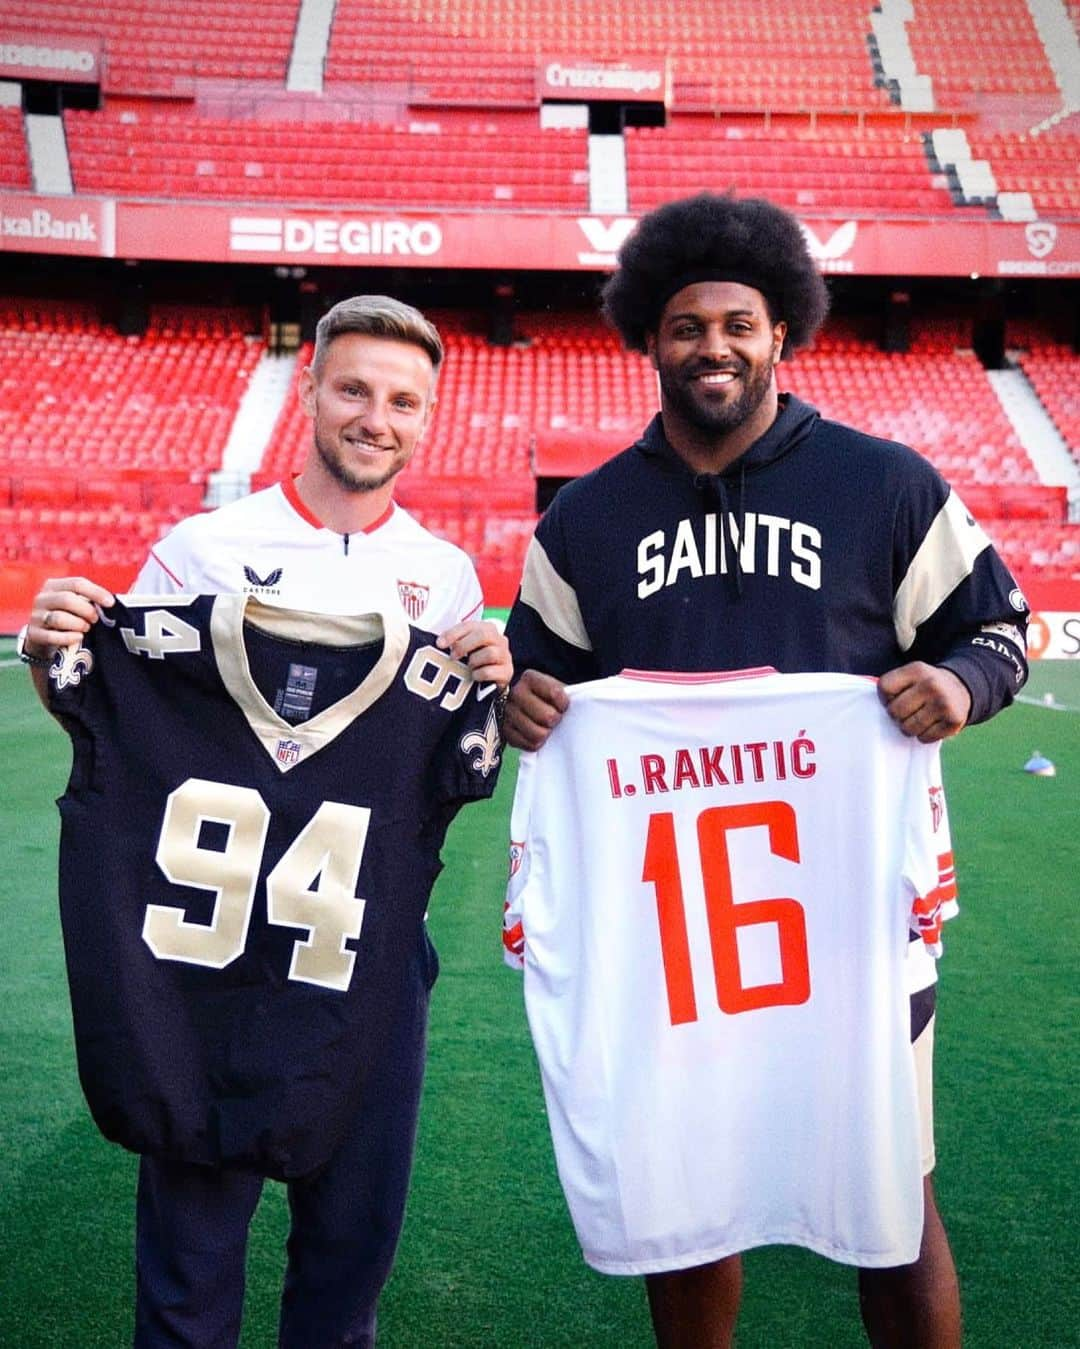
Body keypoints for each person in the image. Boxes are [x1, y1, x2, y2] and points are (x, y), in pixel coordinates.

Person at [502, 193, 1029, 1348]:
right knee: (688, 1204)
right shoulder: (583, 523)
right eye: (686, 326)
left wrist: (959, 687)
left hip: (852, 917)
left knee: (895, 1196)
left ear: (783, 330)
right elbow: (531, 683)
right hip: (669, 928)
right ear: (648, 336)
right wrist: (521, 701)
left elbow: (1000, 633)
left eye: (738, 323)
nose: (714, 348)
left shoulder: (886, 485)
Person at [18, 294, 512, 1348]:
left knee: (349, 1258)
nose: (375, 417)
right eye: (354, 390)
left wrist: (494, 688)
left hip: (364, 952)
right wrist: (59, 653)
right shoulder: (202, 547)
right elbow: (119, 723)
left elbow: (457, 766)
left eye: (402, 401)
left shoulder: (449, 577)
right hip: (208, 965)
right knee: (188, 1276)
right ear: (310, 392)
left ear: (427, 419)